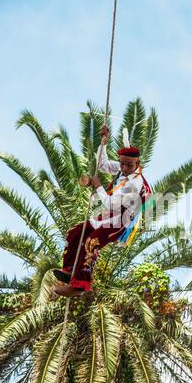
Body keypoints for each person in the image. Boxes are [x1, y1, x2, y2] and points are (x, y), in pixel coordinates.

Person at [53, 127, 152, 297]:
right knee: (75, 233)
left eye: (129, 165)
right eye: (122, 163)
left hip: (120, 221)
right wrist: (103, 143)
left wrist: (98, 185)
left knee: (92, 242)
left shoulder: (134, 184)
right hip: (108, 215)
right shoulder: (122, 168)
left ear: (137, 164)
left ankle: (80, 285)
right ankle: (70, 271)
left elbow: (109, 202)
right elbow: (103, 164)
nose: (124, 167)